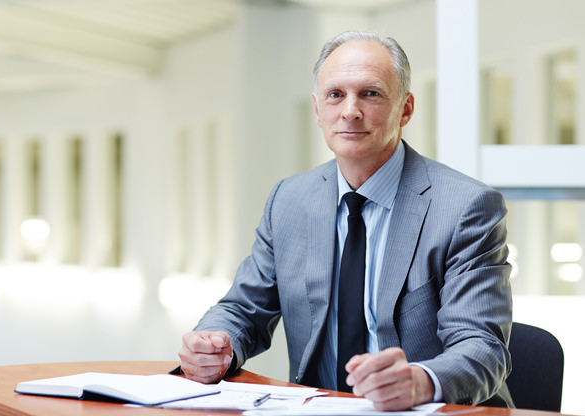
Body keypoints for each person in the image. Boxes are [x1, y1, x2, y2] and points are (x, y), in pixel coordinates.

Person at [177, 31, 513, 410]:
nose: (350, 110)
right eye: (335, 95)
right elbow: (243, 309)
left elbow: (482, 348)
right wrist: (215, 342)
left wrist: (421, 382)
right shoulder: (288, 200)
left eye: (370, 94)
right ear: (318, 110)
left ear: (405, 108)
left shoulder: (466, 207)